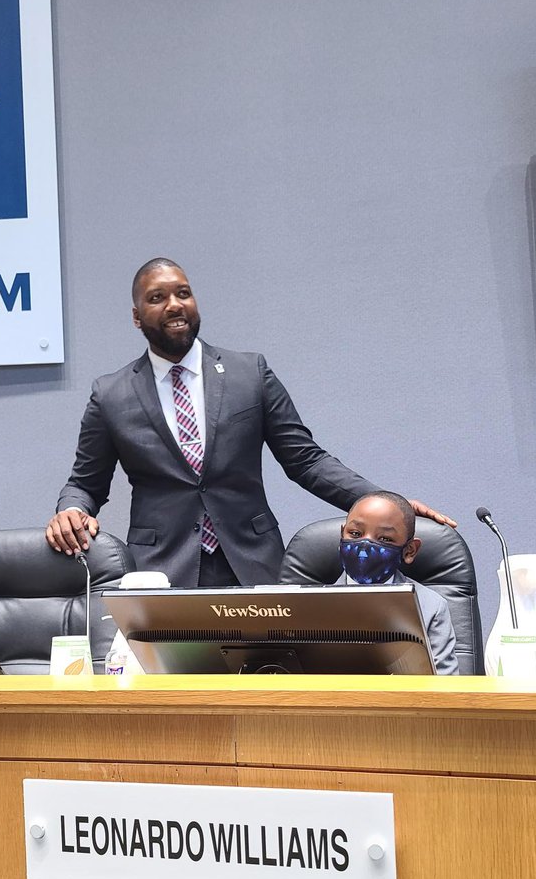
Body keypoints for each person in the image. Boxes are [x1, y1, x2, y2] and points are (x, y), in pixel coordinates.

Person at [46, 258, 456, 587]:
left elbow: (305, 460)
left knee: (264, 681)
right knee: (175, 689)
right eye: (157, 297)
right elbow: (85, 483)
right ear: (137, 317)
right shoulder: (111, 393)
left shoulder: (249, 372)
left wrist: (384, 501)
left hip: (252, 561)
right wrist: (70, 510)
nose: (174, 304)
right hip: (161, 567)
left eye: (183, 293)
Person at [336, 490, 458, 675]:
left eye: (384, 539)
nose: (365, 545)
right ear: (342, 535)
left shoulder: (430, 606)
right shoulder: (307, 604)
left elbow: (445, 687)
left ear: (409, 551)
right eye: (355, 533)